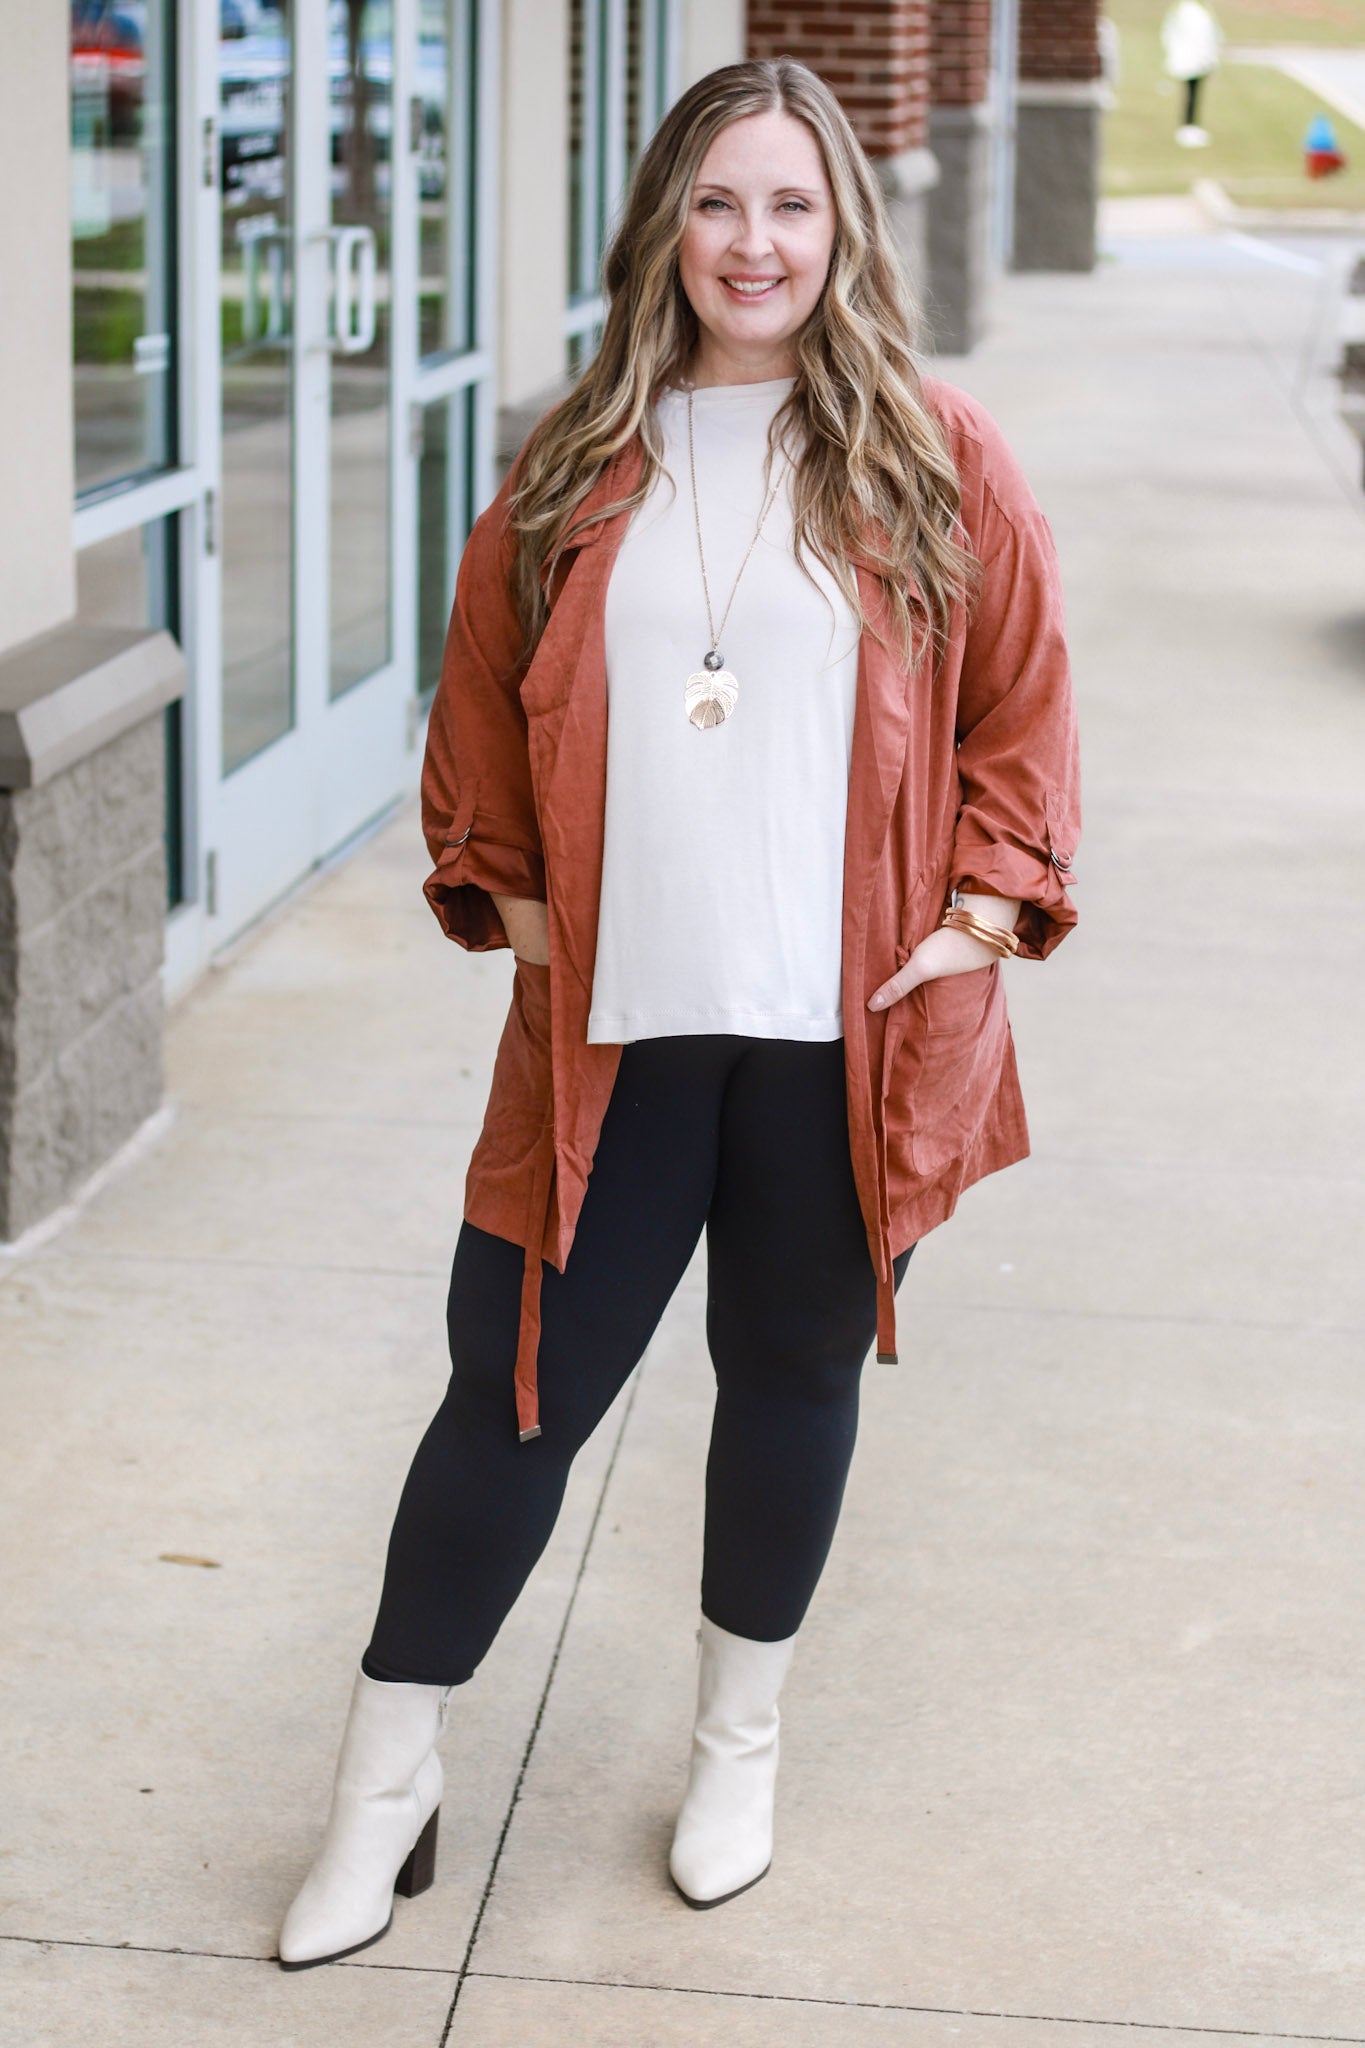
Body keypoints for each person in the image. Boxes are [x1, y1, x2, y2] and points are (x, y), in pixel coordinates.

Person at [275, 56, 1080, 1971]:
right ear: (665, 224)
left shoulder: (935, 455)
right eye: (719, 201)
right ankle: (383, 1785)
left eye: (792, 204)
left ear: (842, 228)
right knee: (513, 1391)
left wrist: (978, 918)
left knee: (790, 1378)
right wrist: (526, 914)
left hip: (839, 1033)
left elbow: (1024, 710)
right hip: (619, 1035)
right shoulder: (577, 463)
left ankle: (738, 1749)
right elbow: (479, 719)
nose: (754, 242)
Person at [1160, 0, 1224, 146]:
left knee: (1194, 94)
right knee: (1191, 94)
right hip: (1191, 61)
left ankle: (1190, 126)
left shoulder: (1198, 11)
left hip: (1196, 61)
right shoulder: (1188, 11)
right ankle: (1187, 127)